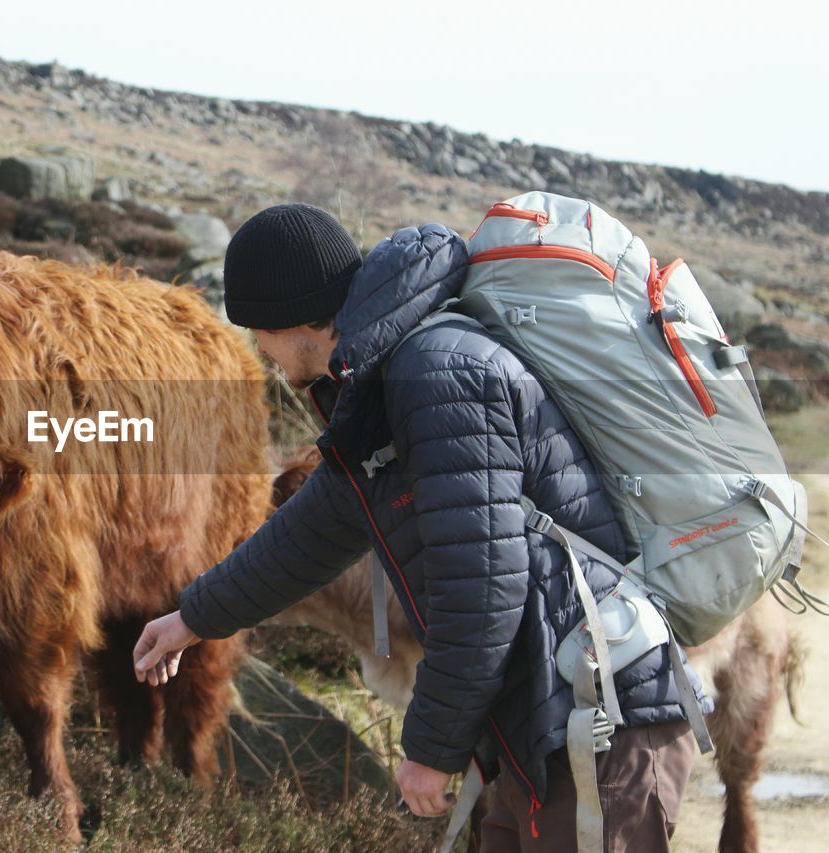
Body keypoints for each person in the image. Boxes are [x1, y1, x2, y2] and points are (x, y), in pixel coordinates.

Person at [132, 203, 707, 852]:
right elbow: (306, 534)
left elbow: (483, 585)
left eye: (256, 332)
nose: (260, 353)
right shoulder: (382, 387)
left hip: (597, 723)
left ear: (290, 318)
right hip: (544, 717)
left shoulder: (435, 375)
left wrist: (430, 749)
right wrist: (194, 616)